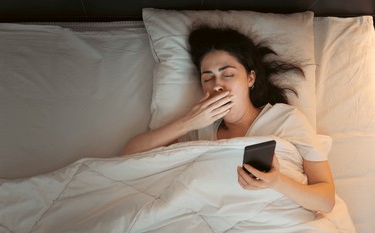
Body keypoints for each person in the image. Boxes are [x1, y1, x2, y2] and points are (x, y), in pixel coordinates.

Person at [121, 24, 335, 213]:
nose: (217, 85)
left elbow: (326, 201)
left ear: (250, 78)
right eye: (208, 78)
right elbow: (129, 156)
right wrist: (189, 122)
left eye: (228, 74)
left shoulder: (286, 119)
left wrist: (277, 182)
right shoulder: (199, 131)